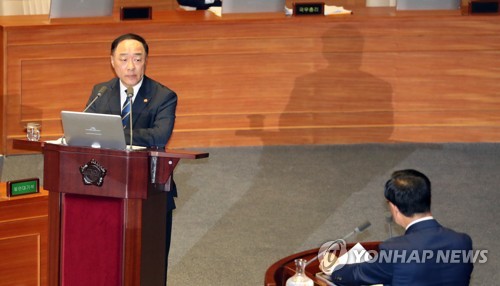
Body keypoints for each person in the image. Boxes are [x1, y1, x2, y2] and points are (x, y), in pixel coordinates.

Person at [84, 33, 178, 284]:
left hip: (150, 188)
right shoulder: (100, 92)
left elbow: (160, 135)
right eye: (123, 59)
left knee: (149, 260)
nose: (130, 66)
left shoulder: (163, 96)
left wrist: (112, 133)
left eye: (137, 59)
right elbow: (88, 127)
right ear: (112, 61)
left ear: (146, 61)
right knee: (106, 257)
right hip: (106, 185)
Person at [331, 169, 474, 286]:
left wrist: (335, 269)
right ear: (429, 199)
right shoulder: (462, 241)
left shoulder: (395, 250)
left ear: (394, 207)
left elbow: (357, 275)